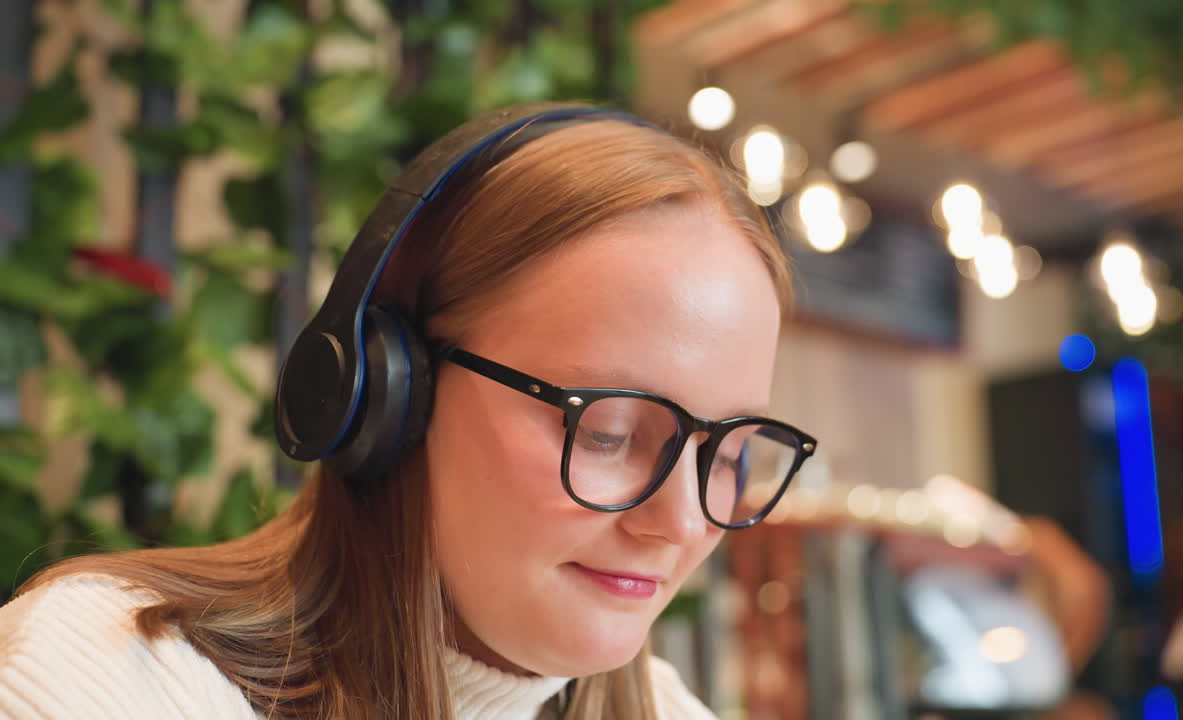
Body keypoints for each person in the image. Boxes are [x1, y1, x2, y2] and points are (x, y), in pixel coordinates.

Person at [0, 104, 817, 719]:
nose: (680, 524)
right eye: (605, 431)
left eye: (727, 454)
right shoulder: (109, 680)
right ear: (392, 398)